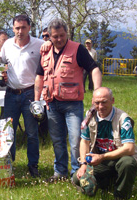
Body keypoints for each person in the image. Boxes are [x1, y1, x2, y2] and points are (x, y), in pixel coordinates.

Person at [34, 19, 102, 181]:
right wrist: (36, 101)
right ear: (50, 36)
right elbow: (39, 76)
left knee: (76, 139)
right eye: (55, 36)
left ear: (67, 34)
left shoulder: (77, 49)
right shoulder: (45, 52)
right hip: (52, 103)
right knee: (57, 141)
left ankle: (77, 173)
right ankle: (60, 172)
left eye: (62, 35)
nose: (59, 39)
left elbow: (94, 69)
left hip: (73, 104)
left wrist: (97, 93)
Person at [72, 87, 137, 199]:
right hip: (101, 161)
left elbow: (130, 149)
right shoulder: (90, 116)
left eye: (104, 102)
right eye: (97, 102)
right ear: (92, 101)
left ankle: (121, 195)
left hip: (120, 158)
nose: (100, 106)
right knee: (77, 179)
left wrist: (102, 157)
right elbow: (84, 142)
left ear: (112, 100)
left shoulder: (123, 119)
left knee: (128, 163)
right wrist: (83, 165)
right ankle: (109, 182)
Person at [0, 14, 44, 177]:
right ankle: (9, 164)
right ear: (13, 28)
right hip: (10, 93)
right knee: (8, 132)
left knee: (31, 132)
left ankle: (33, 166)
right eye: (17, 28)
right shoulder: (7, 45)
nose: (20, 31)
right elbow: (0, 65)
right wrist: (0, 77)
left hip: (30, 94)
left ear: (29, 28)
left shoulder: (40, 44)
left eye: (23, 27)